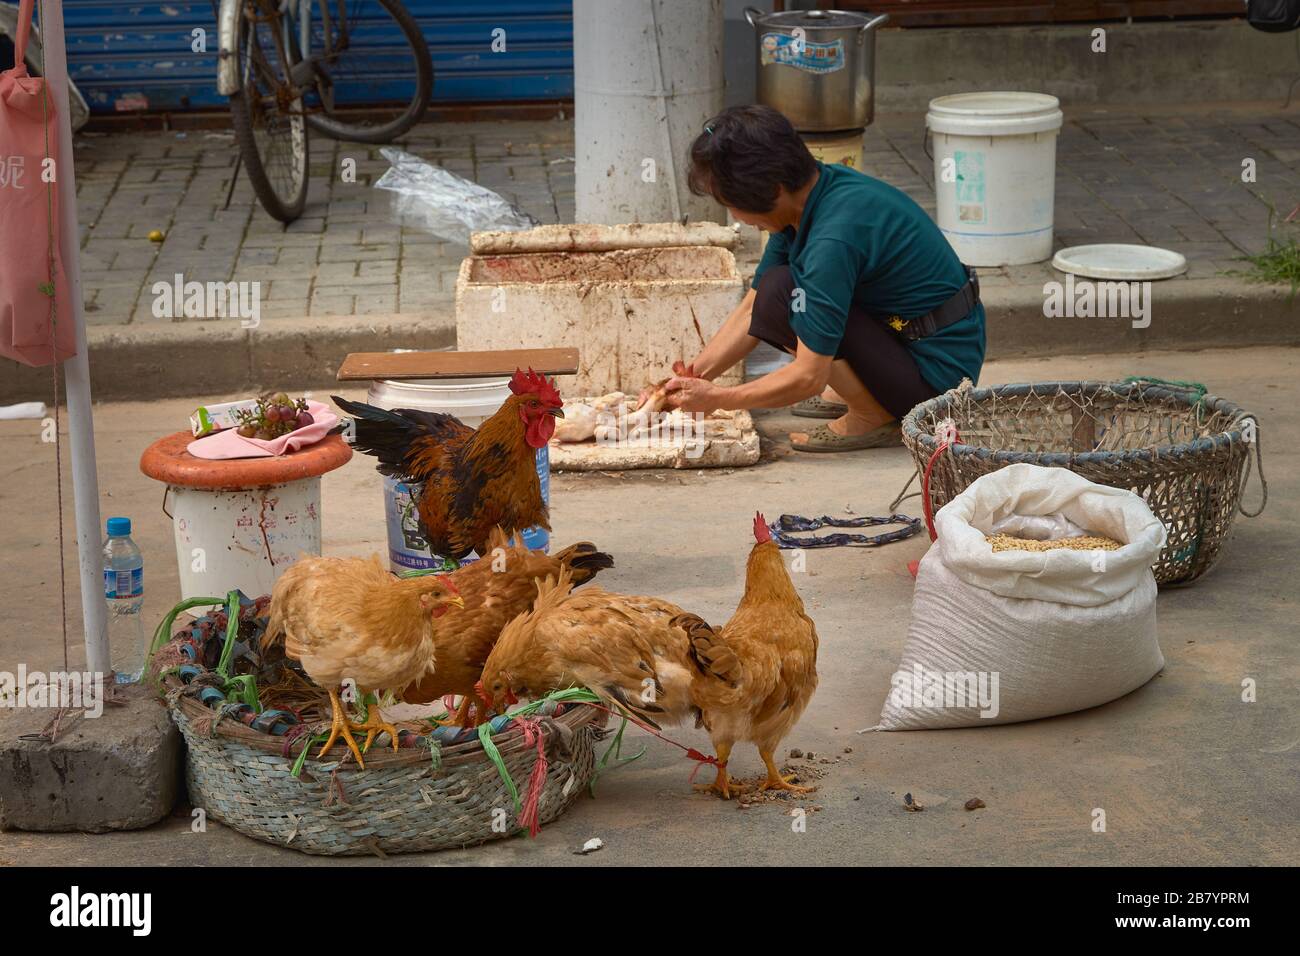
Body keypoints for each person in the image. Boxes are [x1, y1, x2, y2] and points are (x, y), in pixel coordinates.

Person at [663, 105, 986, 452]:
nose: (734, 215)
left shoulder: (832, 239)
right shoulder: (807, 199)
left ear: (772, 191)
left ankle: (871, 412)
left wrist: (721, 399)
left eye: (731, 203)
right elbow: (751, 308)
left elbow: (808, 377)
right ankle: (864, 392)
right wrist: (694, 378)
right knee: (774, 289)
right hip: (910, 340)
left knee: (782, 293)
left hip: (937, 382)